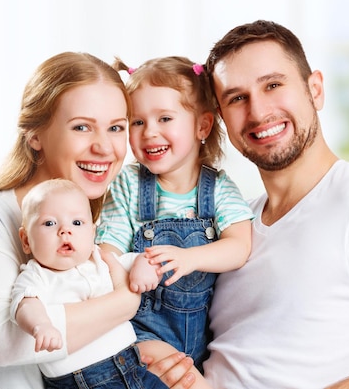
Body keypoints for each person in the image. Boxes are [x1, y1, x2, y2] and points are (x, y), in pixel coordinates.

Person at [0, 51, 197, 389]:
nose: (105, 147)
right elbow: (5, 343)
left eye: (116, 128)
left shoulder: (102, 223)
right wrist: (126, 301)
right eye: (81, 127)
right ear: (34, 134)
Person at [201, 20, 349, 388]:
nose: (258, 113)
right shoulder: (235, 225)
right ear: (222, 118)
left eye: (273, 85)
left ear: (315, 90)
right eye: (237, 98)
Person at [96, 56, 253, 371]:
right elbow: (107, 250)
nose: (149, 132)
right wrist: (128, 268)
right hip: (135, 331)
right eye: (137, 122)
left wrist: (190, 258)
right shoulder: (129, 183)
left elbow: (240, 246)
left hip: (196, 340)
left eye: (164, 119)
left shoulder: (218, 189)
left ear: (202, 126)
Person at [12, 178, 170, 388]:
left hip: (133, 365)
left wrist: (145, 266)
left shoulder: (100, 260)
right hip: (84, 380)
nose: (65, 231)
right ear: (26, 240)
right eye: (49, 223)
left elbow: (137, 260)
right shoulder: (37, 275)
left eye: (77, 223)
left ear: (93, 233)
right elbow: (25, 304)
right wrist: (41, 325)